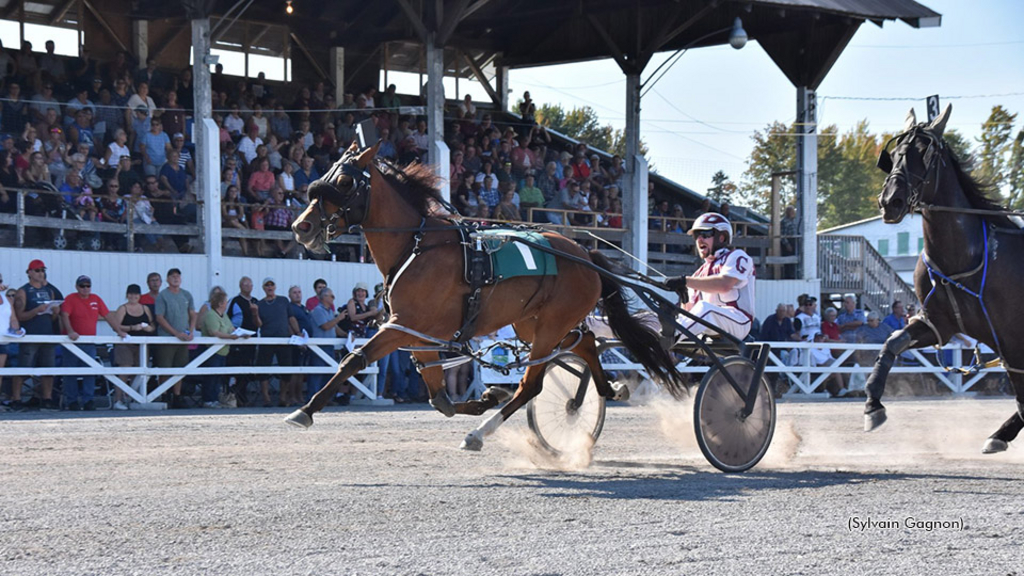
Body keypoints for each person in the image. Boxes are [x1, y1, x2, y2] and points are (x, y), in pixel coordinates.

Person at [663, 213, 754, 341]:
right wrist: (683, 299)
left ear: (721, 238)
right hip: (711, 325)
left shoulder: (736, 256)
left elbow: (724, 284)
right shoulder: (699, 273)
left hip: (739, 322)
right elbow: (690, 313)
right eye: (696, 235)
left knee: (705, 308)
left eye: (705, 234)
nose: (699, 239)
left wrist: (685, 281)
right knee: (655, 315)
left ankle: (667, 339)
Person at [60, 275, 125, 410]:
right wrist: (70, 331)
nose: (85, 289)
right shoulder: (70, 299)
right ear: (77, 287)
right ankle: (72, 401)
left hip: (90, 342)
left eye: (88, 285)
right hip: (72, 343)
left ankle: (88, 400)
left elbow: (108, 316)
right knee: (70, 372)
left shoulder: (96, 299)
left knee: (90, 371)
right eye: (82, 286)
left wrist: (118, 331)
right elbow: (64, 315)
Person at [11, 259, 63, 411]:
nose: (41, 273)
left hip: (47, 335)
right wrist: (36, 310)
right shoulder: (23, 291)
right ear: (30, 273)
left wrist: (54, 312)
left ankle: (46, 398)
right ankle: (16, 398)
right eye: (38, 270)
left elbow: (52, 318)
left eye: (43, 270)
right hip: (30, 336)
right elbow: (19, 316)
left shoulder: (49, 291)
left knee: (48, 369)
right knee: (23, 369)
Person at [154, 268, 197, 409]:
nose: (175, 278)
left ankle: (177, 396)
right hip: (167, 338)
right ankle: (164, 395)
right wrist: (175, 333)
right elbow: (159, 317)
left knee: (180, 368)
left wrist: (191, 331)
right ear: (167, 279)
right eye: (172, 276)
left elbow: (192, 314)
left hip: (183, 338)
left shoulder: (187, 295)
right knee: (165, 367)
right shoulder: (163, 296)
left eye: (178, 276)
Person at [110, 283, 155, 410]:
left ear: (139, 295)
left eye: (136, 294)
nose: (133, 296)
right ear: (127, 295)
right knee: (125, 370)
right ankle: (118, 400)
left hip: (142, 345)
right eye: (130, 293)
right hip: (125, 343)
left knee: (140, 371)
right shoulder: (122, 308)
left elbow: (152, 326)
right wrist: (132, 328)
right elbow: (116, 326)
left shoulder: (145, 309)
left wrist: (148, 328)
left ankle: (134, 398)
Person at [256, 277, 297, 407]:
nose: (269, 287)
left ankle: (282, 397)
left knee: (286, 368)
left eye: (271, 285)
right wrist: (254, 313)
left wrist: (298, 332)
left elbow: (291, 318)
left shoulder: (283, 300)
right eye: (267, 285)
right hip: (267, 339)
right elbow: (258, 324)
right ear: (263, 288)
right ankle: (266, 398)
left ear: (275, 286)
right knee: (263, 369)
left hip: (283, 339)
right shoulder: (259, 304)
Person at [199, 289, 243, 408]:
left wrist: (242, 334)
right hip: (212, 352)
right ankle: (208, 400)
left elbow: (232, 328)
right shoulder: (211, 315)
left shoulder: (225, 316)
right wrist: (230, 337)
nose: (227, 304)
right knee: (211, 376)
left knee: (218, 377)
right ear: (220, 303)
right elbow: (214, 332)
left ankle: (215, 399)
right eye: (225, 301)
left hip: (223, 351)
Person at [308, 287, 348, 403]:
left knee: (328, 373)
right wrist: (339, 318)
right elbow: (325, 326)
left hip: (329, 346)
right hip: (319, 346)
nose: (333, 298)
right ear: (324, 297)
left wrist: (347, 335)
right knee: (317, 373)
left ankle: (324, 398)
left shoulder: (329, 311)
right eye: (331, 296)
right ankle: (313, 398)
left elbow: (334, 329)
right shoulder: (317, 310)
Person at [227, 276, 262, 406]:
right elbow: (226, 320)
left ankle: (244, 395)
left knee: (248, 368)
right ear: (240, 286)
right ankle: (235, 395)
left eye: (250, 285)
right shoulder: (235, 301)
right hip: (237, 341)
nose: (248, 287)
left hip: (252, 341)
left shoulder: (256, 301)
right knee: (237, 369)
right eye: (245, 285)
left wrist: (255, 313)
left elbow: (259, 324)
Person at [284, 285, 314, 407]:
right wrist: (296, 338)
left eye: (299, 292)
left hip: (306, 342)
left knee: (302, 371)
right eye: (294, 292)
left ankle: (300, 395)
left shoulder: (304, 308)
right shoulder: (290, 308)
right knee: (295, 371)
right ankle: (292, 396)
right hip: (296, 343)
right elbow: (288, 323)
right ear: (290, 295)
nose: (297, 294)